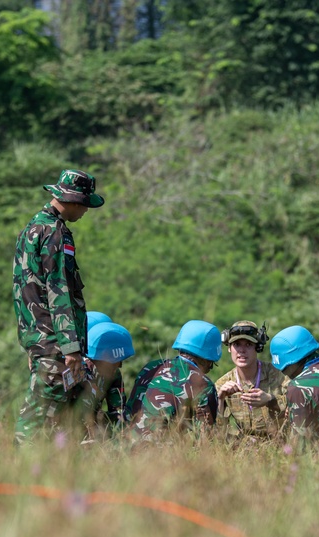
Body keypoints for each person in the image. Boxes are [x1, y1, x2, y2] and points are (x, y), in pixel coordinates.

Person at [12, 168, 105, 445]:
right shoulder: (55, 233)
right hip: (54, 343)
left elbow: (24, 292)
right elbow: (59, 291)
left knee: (61, 419)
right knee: (39, 417)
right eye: (84, 205)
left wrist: (33, 345)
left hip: (40, 340)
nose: (86, 211)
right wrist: (70, 348)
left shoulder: (31, 229)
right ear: (73, 200)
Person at [126, 320, 222, 438]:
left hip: (123, 446)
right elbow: (206, 439)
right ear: (208, 359)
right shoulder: (204, 385)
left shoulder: (151, 367)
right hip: (160, 453)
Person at [215, 320, 288, 439]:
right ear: (229, 348)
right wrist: (220, 399)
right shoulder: (222, 384)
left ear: (258, 347)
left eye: (248, 344)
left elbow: (299, 405)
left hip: (279, 445)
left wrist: (271, 400)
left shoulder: (277, 375)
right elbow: (216, 431)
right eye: (237, 344)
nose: (242, 350)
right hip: (243, 449)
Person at [79, 321, 134, 438]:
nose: (119, 366)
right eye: (115, 362)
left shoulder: (114, 374)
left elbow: (118, 412)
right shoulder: (78, 371)